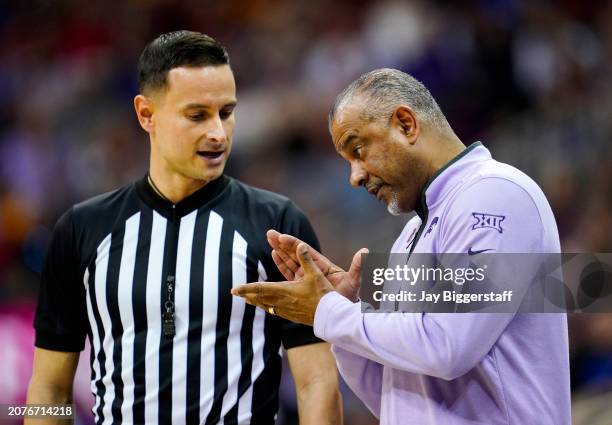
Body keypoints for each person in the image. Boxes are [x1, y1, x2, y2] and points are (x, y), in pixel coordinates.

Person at [26, 31, 342, 425]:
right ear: (146, 114)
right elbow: (47, 391)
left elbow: (316, 380)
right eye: (197, 115)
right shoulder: (81, 229)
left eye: (226, 113)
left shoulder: (277, 224)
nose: (218, 133)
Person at [232, 68, 571, 424]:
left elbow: (447, 347)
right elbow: (397, 397)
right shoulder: (409, 235)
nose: (355, 176)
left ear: (406, 125)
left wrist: (328, 311)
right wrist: (347, 307)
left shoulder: (495, 194)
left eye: (358, 150)